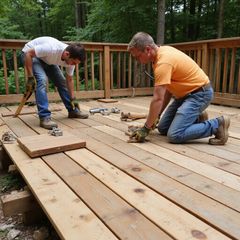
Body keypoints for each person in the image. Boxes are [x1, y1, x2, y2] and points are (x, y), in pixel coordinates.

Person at [127, 32, 230, 145]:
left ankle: (217, 125)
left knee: (175, 135)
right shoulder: (160, 53)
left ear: (147, 49)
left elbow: (157, 99)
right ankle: (197, 118)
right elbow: (167, 90)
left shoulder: (163, 62)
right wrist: (158, 115)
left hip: (200, 94)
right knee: (163, 128)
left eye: (137, 57)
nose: (137, 60)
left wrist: (146, 128)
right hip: (184, 96)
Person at [21, 36, 89, 130]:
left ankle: (73, 111)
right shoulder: (51, 48)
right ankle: (44, 117)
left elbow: (69, 80)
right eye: (73, 62)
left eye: (76, 63)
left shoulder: (71, 59)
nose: (73, 65)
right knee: (42, 80)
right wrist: (30, 77)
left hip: (47, 59)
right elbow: (28, 54)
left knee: (62, 82)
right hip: (30, 55)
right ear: (67, 54)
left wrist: (73, 98)